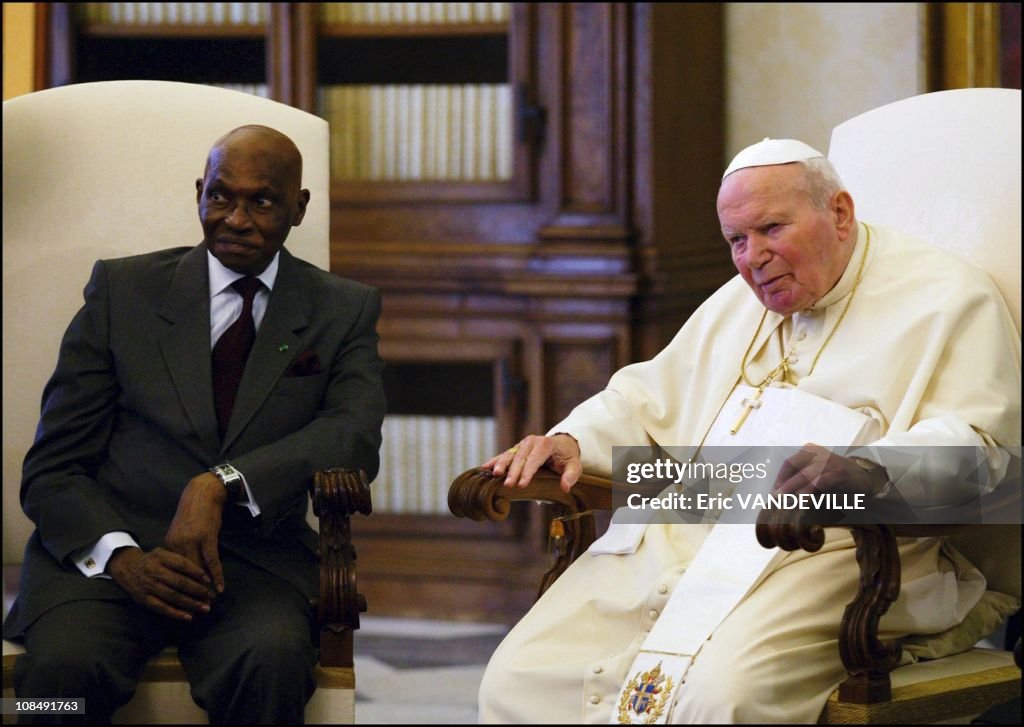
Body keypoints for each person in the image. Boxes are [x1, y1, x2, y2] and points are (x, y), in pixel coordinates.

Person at [477, 138, 1021, 723]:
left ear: (839, 213)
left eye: (771, 228)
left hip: (831, 550)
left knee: (720, 696)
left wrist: (863, 469)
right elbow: (646, 397)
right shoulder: (740, 301)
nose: (753, 257)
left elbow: (982, 451)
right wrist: (572, 441)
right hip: (687, 532)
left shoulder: (947, 298)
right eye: (737, 239)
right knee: (518, 679)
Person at [3, 125, 386, 724]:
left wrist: (221, 482)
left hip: (251, 564)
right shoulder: (122, 292)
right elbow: (53, 469)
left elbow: (352, 438)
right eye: (219, 196)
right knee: (54, 684)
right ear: (199, 192)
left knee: (272, 663)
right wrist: (123, 558)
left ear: (299, 208)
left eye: (261, 201)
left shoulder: (343, 309)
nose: (235, 219)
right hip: (107, 560)